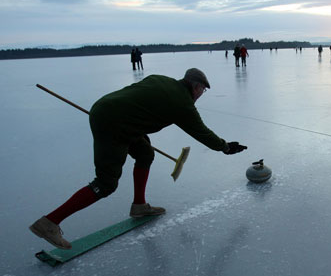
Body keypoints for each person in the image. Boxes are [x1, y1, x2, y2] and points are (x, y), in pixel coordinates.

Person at [29, 68, 247, 250]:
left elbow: (141, 101)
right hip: (114, 123)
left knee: (145, 153)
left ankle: (139, 205)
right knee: (106, 184)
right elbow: (201, 132)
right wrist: (225, 147)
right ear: (197, 86)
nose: (201, 95)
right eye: (203, 90)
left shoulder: (163, 80)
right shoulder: (183, 103)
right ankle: (49, 222)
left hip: (112, 111)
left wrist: (139, 125)